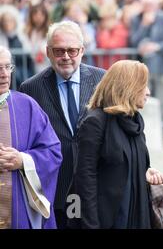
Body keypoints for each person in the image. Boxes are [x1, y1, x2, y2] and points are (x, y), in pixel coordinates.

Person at [19, 21, 105, 228]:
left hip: (97, 184)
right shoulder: (31, 88)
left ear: (82, 51)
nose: (66, 56)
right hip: (54, 187)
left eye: (72, 50)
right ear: (48, 52)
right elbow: (26, 139)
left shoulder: (102, 80)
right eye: (59, 51)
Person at [74, 60, 163, 229]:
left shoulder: (136, 120)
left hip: (138, 217)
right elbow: (85, 179)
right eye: (143, 86)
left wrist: (145, 171)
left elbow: (124, 165)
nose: (148, 92)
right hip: (108, 220)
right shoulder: (96, 122)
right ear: (128, 87)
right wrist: (91, 225)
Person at [0, 46, 62, 229]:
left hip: (19, 213)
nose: (4, 74)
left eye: (7, 67)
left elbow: (53, 152)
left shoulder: (26, 106)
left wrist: (23, 160)